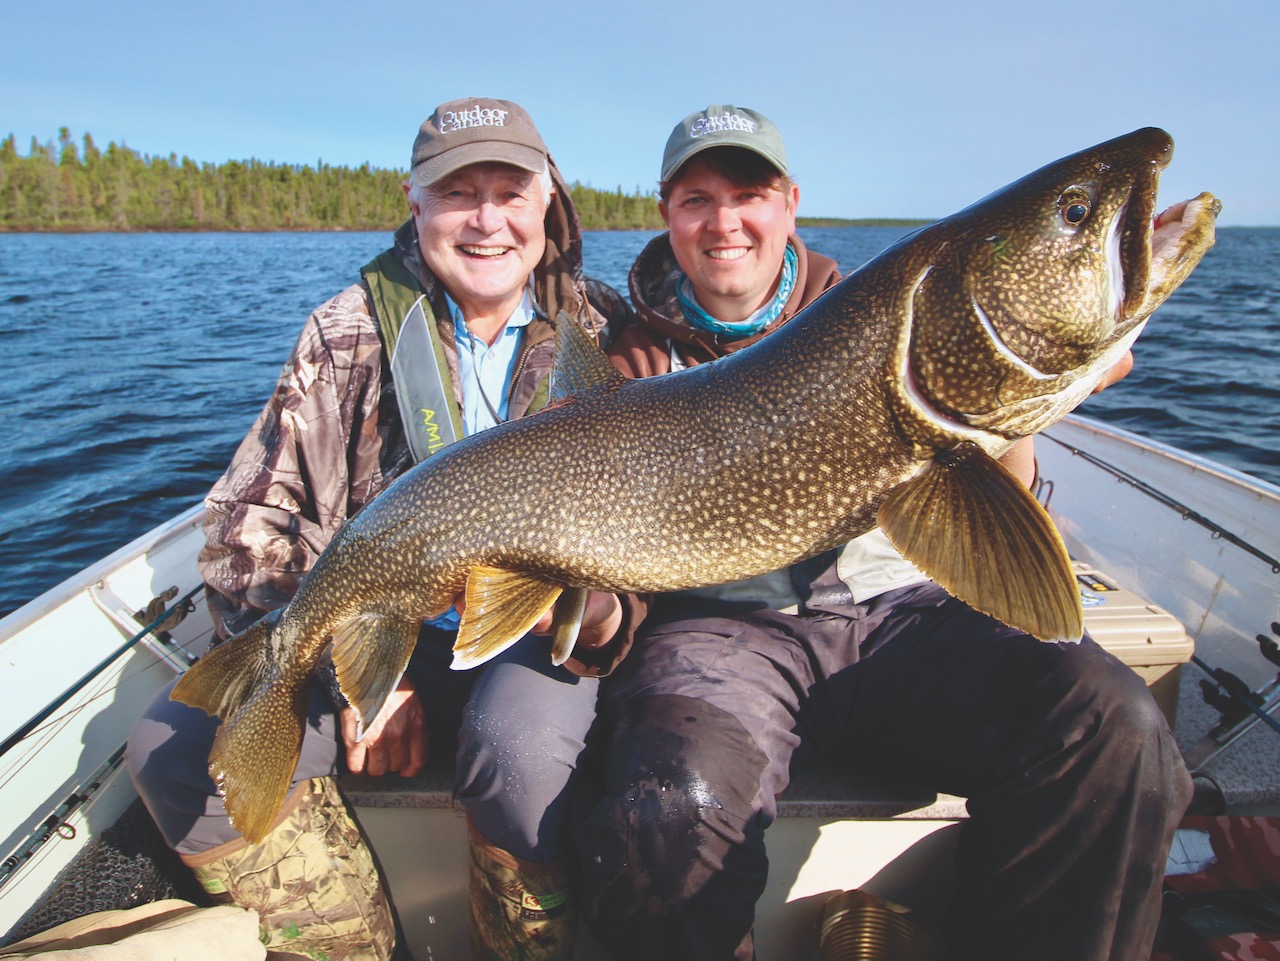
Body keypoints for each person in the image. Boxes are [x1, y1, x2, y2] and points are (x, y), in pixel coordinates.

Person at [572, 105, 1190, 961]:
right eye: (696, 199)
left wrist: (1013, 407)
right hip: (719, 639)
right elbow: (610, 582)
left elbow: (997, 517)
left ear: (790, 203)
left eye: (748, 194)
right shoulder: (621, 363)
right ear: (665, 213)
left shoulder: (886, 307)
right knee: (669, 805)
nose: (725, 223)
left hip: (896, 615)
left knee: (1112, 725)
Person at [124, 97, 637, 961]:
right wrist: (364, 674)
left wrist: (600, 613)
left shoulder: (610, 336)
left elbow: (647, 522)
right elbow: (249, 524)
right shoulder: (345, 332)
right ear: (416, 202)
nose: (485, 220)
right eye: (456, 193)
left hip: (531, 639)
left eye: (509, 192)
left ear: (548, 198)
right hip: (365, 627)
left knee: (519, 755)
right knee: (169, 752)